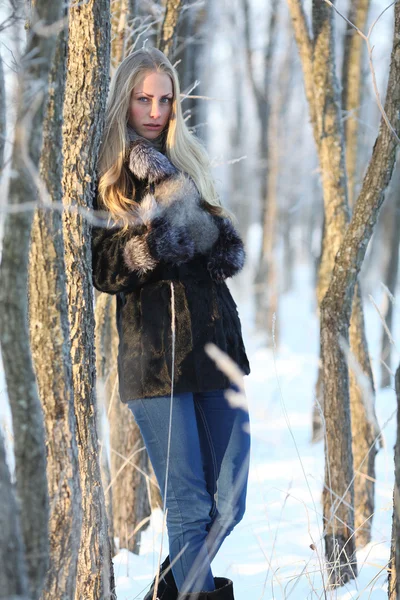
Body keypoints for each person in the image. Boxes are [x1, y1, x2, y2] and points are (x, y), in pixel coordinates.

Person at [91, 46, 251, 600]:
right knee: (188, 506)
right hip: (155, 363)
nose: (155, 110)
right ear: (124, 102)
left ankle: (170, 591)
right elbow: (104, 268)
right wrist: (156, 239)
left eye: (165, 99)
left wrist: (200, 224)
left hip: (213, 355)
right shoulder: (109, 176)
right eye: (143, 99)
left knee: (229, 502)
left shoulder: (189, 167)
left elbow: (221, 255)